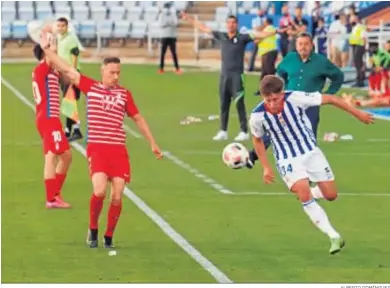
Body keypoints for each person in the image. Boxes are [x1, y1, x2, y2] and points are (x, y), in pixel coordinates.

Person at [39, 29, 163, 249]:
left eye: (118, 72)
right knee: (99, 191)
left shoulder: (124, 94)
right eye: (112, 72)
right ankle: (93, 229)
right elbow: (67, 68)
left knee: (117, 196)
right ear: (103, 71)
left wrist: (152, 143)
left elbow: (138, 118)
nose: (116, 76)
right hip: (97, 149)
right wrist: (48, 50)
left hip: (118, 150)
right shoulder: (91, 87)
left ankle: (108, 236)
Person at [249, 75, 374, 254]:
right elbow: (257, 140)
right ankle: (333, 236)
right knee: (303, 191)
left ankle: (310, 194)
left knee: (331, 194)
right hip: (287, 159)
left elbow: (330, 99)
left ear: (282, 94)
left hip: (311, 153)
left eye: (275, 99)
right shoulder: (257, 116)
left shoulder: (296, 98)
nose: (272, 103)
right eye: (268, 100)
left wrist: (358, 113)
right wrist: (266, 167)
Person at [247, 33, 344, 168]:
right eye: (300, 44)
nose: (303, 47)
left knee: (309, 137)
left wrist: (328, 94)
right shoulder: (290, 58)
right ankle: (252, 156)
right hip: (289, 103)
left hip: (310, 104)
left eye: (306, 44)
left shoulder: (321, 61)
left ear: (312, 45)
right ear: (296, 45)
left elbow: (338, 76)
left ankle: (310, 170)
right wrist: (285, 88)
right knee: (275, 129)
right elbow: (280, 71)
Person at [181, 13, 276, 141]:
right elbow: (204, 28)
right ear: (226, 24)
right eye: (229, 23)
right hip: (224, 76)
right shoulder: (222, 36)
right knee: (223, 104)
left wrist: (276, 31)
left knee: (239, 103)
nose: (231, 25)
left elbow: (260, 35)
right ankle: (223, 130)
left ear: (237, 25)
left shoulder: (242, 38)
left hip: (237, 76)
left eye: (233, 23)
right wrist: (190, 19)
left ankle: (244, 131)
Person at [32, 43, 72, 209]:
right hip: (48, 118)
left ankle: (55, 193)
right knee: (51, 155)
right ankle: (51, 198)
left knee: (66, 156)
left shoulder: (51, 72)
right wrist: (48, 39)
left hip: (50, 118)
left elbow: (68, 80)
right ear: (45, 54)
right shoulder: (43, 68)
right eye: (53, 52)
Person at [56, 17, 83, 142]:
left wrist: (72, 72)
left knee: (70, 101)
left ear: (67, 27)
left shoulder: (70, 39)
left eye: (63, 26)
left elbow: (75, 54)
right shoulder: (60, 39)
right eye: (59, 26)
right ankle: (70, 130)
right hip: (64, 74)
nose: (60, 28)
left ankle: (74, 129)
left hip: (70, 74)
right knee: (69, 102)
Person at [253, 17, 278, 96]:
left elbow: (257, 40)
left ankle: (273, 89)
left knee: (269, 71)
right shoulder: (270, 29)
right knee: (265, 71)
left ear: (266, 22)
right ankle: (262, 89)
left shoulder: (268, 29)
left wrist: (258, 37)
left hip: (268, 52)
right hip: (267, 52)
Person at [158, 2, 181, 74]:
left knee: (174, 53)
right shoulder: (161, 15)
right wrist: (169, 23)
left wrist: (168, 23)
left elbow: (175, 23)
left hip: (172, 36)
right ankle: (161, 68)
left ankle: (177, 68)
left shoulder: (173, 15)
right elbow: (161, 24)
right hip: (164, 36)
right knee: (162, 53)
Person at [349, 15, 367, 87]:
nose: (350, 21)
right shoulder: (354, 27)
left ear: (355, 19)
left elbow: (363, 37)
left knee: (358, 63)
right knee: (357, 63)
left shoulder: (360, 27)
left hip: (359, 46)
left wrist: (364, 47)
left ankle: (360, 80)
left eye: (351, 20)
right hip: (355, 46)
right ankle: (360, 78)